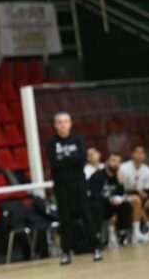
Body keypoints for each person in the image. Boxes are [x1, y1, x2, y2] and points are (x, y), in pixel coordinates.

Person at [45, 112, 102, 265]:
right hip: (61, 185)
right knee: (65, 219)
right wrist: (71, 159)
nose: (63, 124)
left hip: (79, 184)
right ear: (55, 125)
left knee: (86, 215)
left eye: (65, 121)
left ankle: (96, 248)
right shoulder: (51, 142)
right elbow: (54, 163)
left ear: (70, 123)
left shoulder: (78, 139)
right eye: (59, 122)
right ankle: (66, 252)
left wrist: (64, 159)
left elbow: (81, 159)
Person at [88, 153, 132, 249]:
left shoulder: (118, 177)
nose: (115, 164)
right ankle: (97, 237)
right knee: (97, 206)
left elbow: (121, 194)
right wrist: (109, 200)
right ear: (107, 162)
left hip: (111, 205)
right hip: (99, 205)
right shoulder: (97, 175)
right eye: (113, 160)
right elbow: (94, 194)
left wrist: (120, 184)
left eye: (118, 162)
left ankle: (122, 234)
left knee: (126, 205)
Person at [119, 145, 149, 239]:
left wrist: (142, 194)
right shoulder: (123, 167)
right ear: (132, 154)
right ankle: (139, 232)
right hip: (126, 197)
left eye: (142, 153)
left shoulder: (147, 170)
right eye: (137, 152)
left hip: (141, 197)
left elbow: (147, 191)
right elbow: (121, 188)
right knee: (137, 201)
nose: (140, 155)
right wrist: (136, 191)